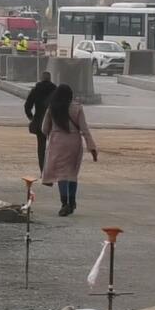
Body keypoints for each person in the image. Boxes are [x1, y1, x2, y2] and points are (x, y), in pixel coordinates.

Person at [41, 84, 98, 216]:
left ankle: (64, 203)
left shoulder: (52, 108)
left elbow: (44, 129)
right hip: (74, 143)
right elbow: (85, 130)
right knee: (72, 173)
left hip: (57, 143)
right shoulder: (77, 108)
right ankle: (72, 202)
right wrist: (92, 147)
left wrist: (53, 132)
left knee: (61, 174)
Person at [25, 71, 57, 173]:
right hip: (53, 123)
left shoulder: (36, 90)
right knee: (53, 146)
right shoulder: (55, 90)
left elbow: (27, 106)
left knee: (41, 148)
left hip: (39, 122)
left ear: (41, 78)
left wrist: (31, 117)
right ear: (50, 79)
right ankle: (52, 170)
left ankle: (43, 170)